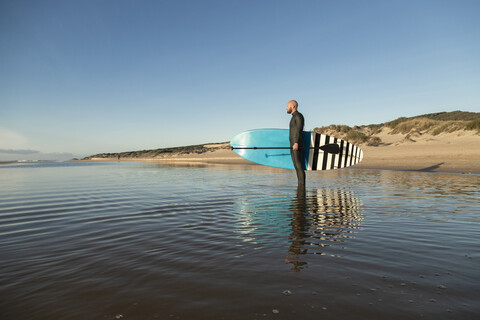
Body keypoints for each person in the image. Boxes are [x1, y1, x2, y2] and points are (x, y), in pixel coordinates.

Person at [286, 100, 305, 186]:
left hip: (296, 143)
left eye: (287, 106)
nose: (286, 108)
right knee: (296, 166)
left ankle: (302, 186)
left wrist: (296, 142)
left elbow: (299, 130)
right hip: (293, 143)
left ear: (293, 106)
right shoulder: (293, 117)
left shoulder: (298, 116)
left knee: (299, 165)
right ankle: (300, 185)